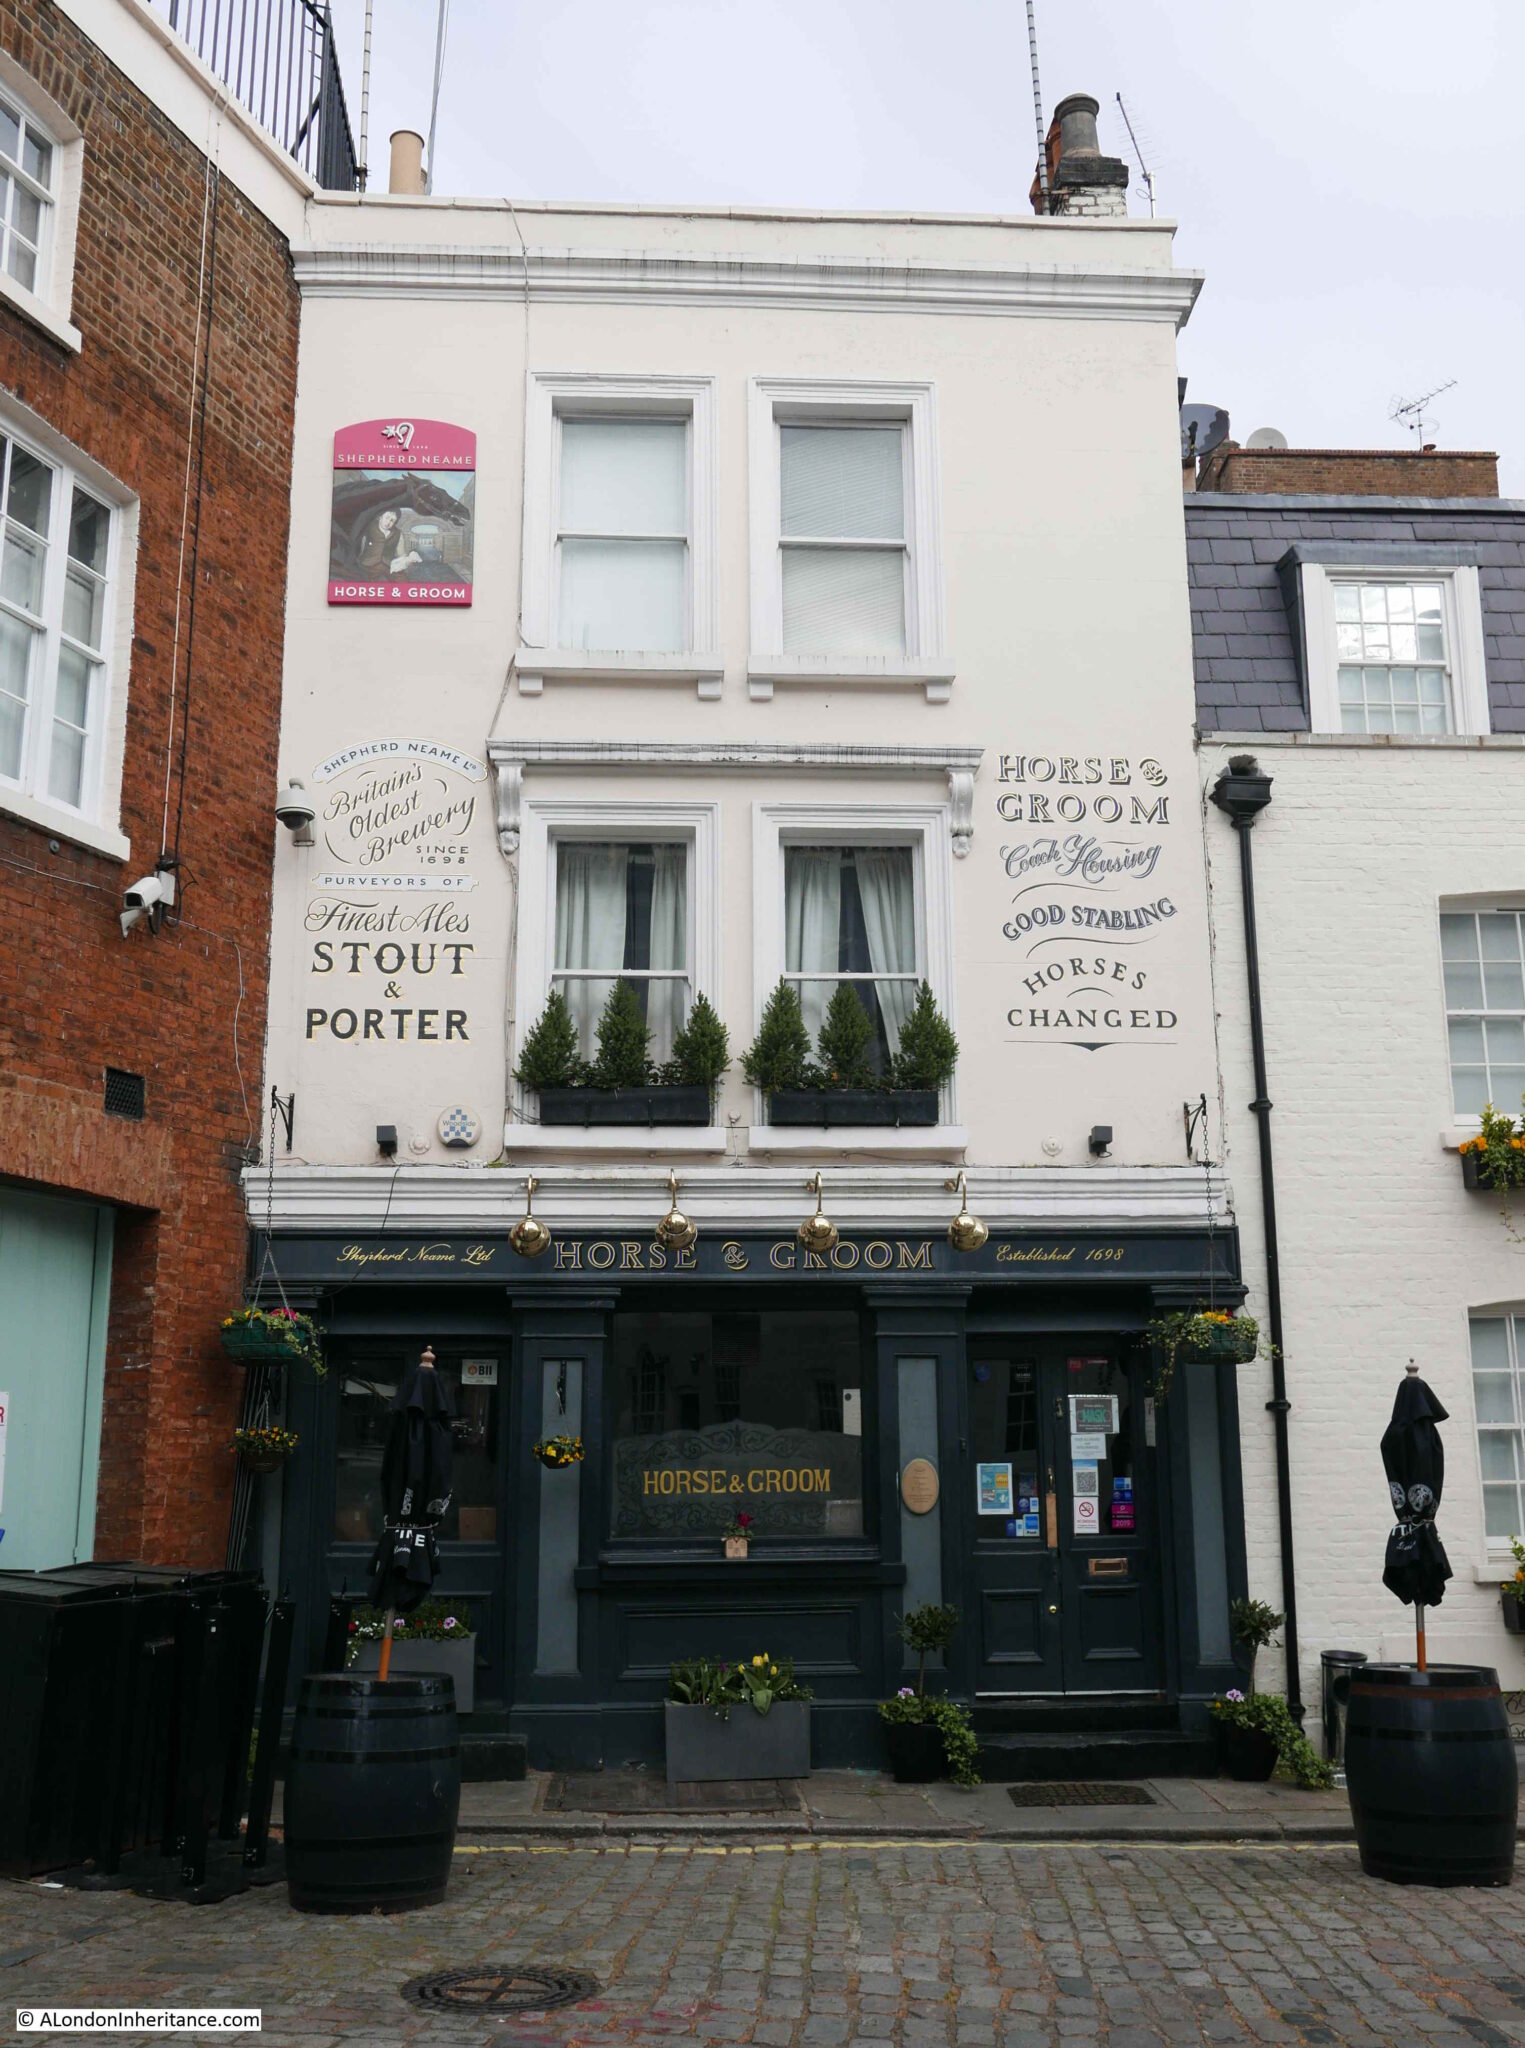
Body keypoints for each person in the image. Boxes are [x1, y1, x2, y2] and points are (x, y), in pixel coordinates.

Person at [355, 506, 423, 579]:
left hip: (389, 565)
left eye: (392, 520)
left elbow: (401, 553)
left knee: (403, 581)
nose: (388, 523)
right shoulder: (369, 527)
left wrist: (408, 559)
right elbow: (359, 545)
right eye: (387, 518)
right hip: (369, 564)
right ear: (380, 517)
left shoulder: (398, 533)